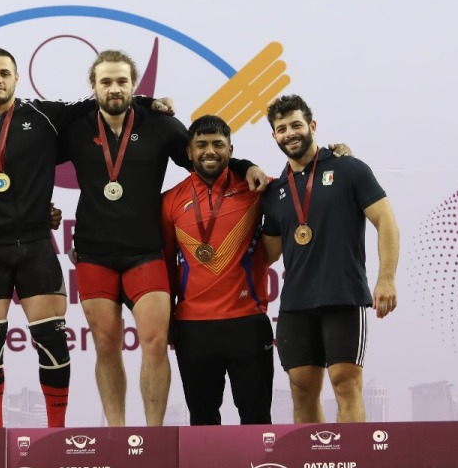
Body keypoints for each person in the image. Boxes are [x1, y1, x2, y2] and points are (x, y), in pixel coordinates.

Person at [57, 50, 266, 426]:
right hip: (93, 254)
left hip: (145, 252)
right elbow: (29, 159)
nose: (114, 88)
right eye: (106, 81)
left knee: (154, 344)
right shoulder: (75, 126)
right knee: (106, 346)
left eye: (122, 81)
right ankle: (118, 433)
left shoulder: (160, 124)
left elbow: (203, 155)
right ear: (93, 86)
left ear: (134, 85)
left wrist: (245, 165)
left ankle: (153, 436)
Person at [0, 48, 110, 429]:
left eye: (4, 73)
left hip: (36, 245)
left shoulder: (44, 116)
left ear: (17, 78)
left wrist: (150, 103)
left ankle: (56, 431)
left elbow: (95, 103)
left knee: (52, 342)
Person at [260, 94, 399, 424]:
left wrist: (386, 278)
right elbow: (268, 254)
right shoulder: (276, 190)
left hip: (344, 295)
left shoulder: (348, 168)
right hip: (295, 303)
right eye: (282, 129)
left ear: (312, 125)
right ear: (274, 136)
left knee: (345, 383)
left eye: (296, 125)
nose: (290, 133)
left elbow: (386, 222)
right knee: (301, 389)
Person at [160, 115, 272, 425]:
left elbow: (301, 184)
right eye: (202, 145)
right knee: (203, 420)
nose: (210, 151)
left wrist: (335, 155)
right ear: (189, 152)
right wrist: (168, 318)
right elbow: (167, 266)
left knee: (257, 418)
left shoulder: (255, 187)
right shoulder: (170, 201)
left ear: (231, 150)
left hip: (248, 322)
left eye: (218, 145)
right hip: (193, 328)